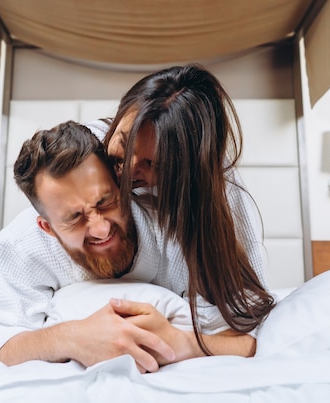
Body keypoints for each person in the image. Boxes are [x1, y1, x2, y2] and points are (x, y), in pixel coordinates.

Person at [0, 121, 257, 373]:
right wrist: (72, 338)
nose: (101, 228)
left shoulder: (177, 233)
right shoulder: (19, 248)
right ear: (48, 228)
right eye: (75, 218)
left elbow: (245, 341)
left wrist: (183, 343)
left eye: (106, 202)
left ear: (122, 184)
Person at [101, 64, 275, 355]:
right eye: (124, 143)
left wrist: (182, 343)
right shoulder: (83, 154)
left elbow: (253, 333)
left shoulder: (222, 194)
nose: (129, 169)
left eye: (152, 164)